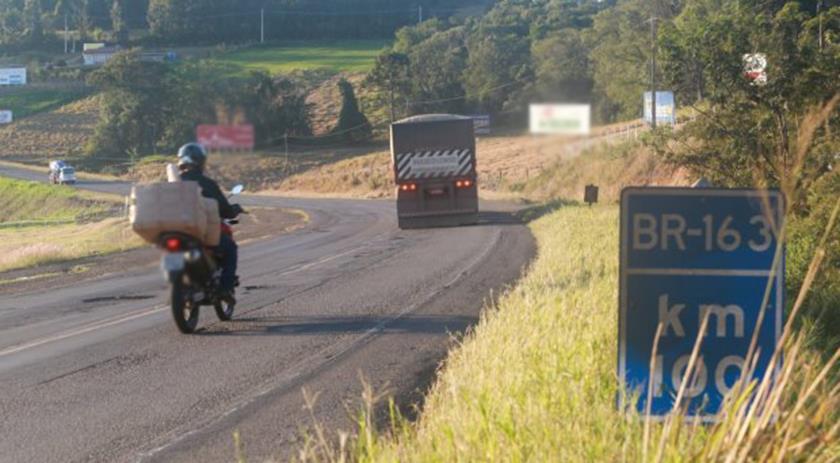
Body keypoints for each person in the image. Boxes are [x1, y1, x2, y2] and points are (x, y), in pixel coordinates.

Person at [176, 143, 243, 302]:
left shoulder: (173, 183)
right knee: (230, 249)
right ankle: (225, 289)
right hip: (203, 233)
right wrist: (233, 210)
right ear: (200, 161)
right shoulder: (206, 184)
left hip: (176, 232)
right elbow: (223, 208)